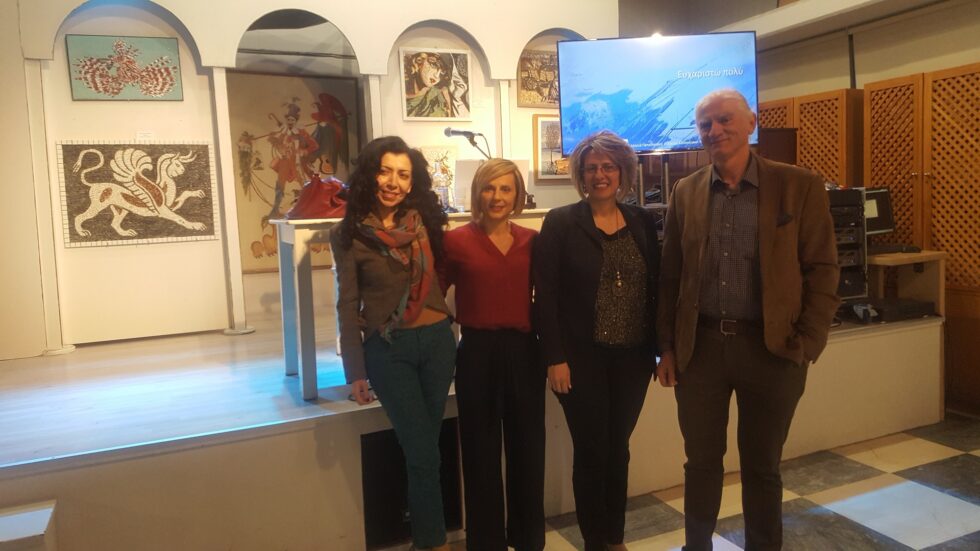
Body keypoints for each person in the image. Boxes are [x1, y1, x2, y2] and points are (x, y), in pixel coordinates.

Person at [655, 89, 839, 550]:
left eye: (724, 119)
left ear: (751, 122)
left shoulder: (799, 185)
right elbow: (670, 275)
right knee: (700, 464)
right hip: (701, 351)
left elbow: (823, 268)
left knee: (762, 467)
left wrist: (808, 342)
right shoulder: (685, 191)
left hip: (772, 351)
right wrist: (667, 347)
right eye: (705, 124)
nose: (714, 130)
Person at [533, 131, 660, 551]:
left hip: (632, 359)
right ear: (581, 175)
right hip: (580, 360)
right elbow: (545, 296)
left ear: (622, 172)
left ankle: (615, 538)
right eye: (591, 168)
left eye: (608, 167)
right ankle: (595, 541)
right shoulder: (561, 222)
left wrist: (662, 349)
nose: (600, 175)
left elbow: (656, 288)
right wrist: (554, 357)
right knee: (591, 450)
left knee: (618, 448)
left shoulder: (642, 221)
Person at [329, 136, 454, 551]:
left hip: (438, 344)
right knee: (422, 452)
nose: (393, 182)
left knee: (426, 449)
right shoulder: (348, 234)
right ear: (370, 174)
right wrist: (355, 371)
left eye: (403, 174)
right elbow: (348, 304)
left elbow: (445, 275)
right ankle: (433, 543)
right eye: (385, 171)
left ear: (412, 181)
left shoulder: (425, 223)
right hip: (389, 350)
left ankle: (426, 539)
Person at [441, 159, 544, 551]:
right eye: (489, 188)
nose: (497, 197)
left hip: (524, 352)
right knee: (480, 453)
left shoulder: (532, 241)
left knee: (528, 451)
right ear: (477, 193)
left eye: (505, 189)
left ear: (517, 195)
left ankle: (528, 539)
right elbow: (433, 296)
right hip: (477, 354)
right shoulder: (456, 241)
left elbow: (549, 298)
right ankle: (486, 543)